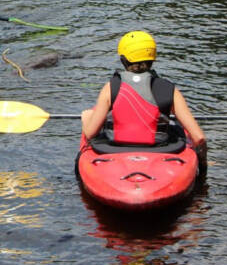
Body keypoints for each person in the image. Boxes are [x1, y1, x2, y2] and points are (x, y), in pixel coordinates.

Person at [81, 31, 208, 176]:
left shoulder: (110, 88)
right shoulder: (170, 89)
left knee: (90, 117)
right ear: (152, 58)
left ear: (123, 59)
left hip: (114, 149)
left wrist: (86, 119)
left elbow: (90, 133)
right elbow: (199, 138)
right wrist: (202, 164)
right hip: (161, 150)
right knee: (177, 129)